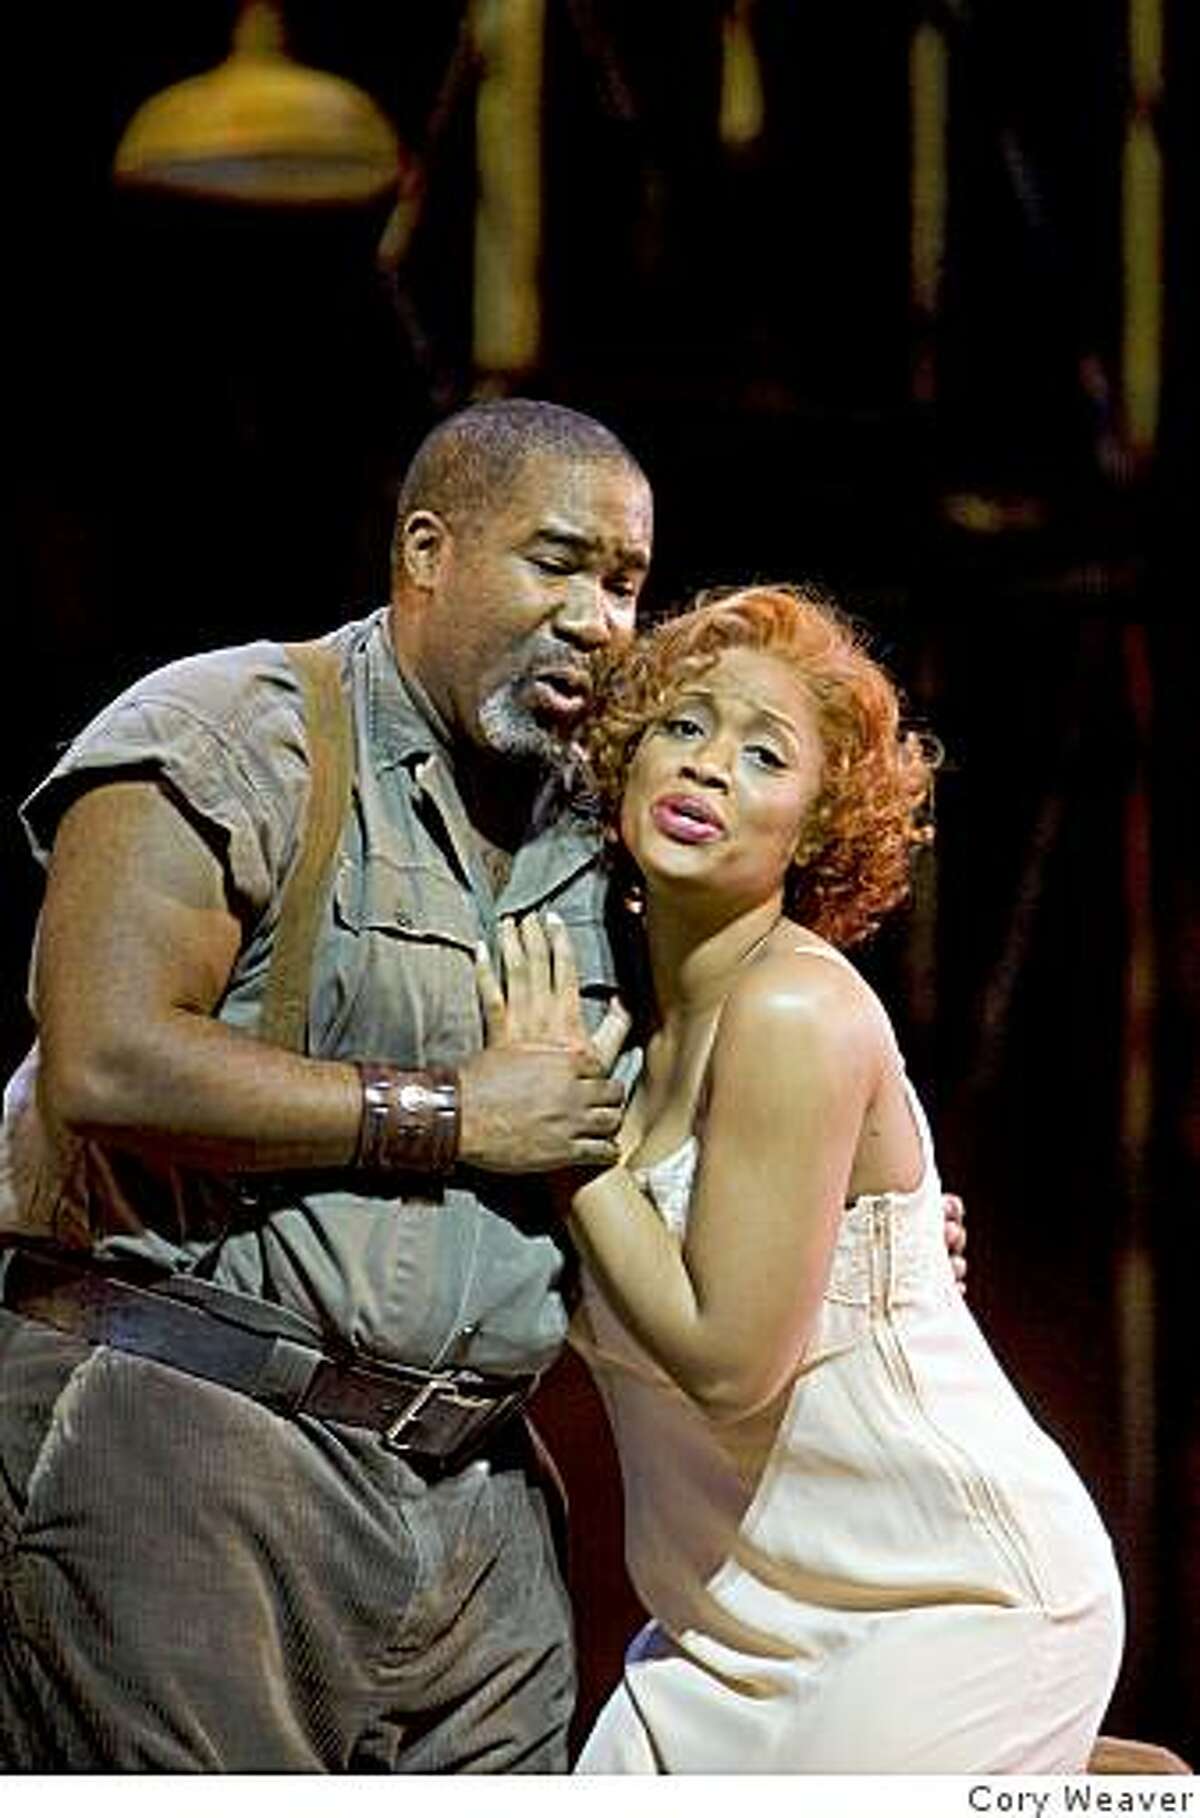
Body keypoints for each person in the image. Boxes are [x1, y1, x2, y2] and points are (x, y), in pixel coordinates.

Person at [0, 398, 964, 1772]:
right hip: (194, 1447)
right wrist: (449, 1114)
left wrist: (869, 1239)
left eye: (623, 583)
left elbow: (742, 1064)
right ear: (427, 551)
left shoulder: (612, 818)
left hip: (482, 1509)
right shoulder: (240, 731)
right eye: (555, 564)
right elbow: (104, 1060)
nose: (596, 620)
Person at [476, 583, 1125, 1773]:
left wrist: (562, 1136)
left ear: (817, 830)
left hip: (943, 1602)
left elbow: (730, 1367)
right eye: (684, 726)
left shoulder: (790, 1010)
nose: (709, 765)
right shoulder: (621, 1035)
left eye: (764, 754)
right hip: (724, 1633)